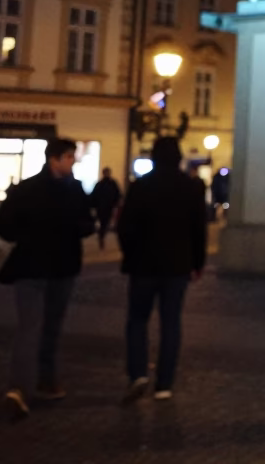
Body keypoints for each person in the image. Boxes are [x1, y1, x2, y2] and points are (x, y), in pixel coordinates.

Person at [0, 138, 93, 420]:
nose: (73, 162)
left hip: (34, 266)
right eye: (69, 157)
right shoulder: (73, 191)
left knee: (33, 327)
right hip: (57, 267)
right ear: (55, 159)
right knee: (45, 327)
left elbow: (5, 226)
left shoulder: (25, 190)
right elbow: (86, 224)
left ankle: (26, 385)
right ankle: (34, 383)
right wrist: (74, 228)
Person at [117, 136, 207, 403]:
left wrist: (130, 254)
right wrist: (197, 263)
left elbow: (126, 227)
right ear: (178, 157)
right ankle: (164, 383)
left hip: (143, 265)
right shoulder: (191, 188)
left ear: (154, 158)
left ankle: (138, 374)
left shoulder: (140, 187)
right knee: (171, 323)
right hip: (177, 266)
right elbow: (197, 229)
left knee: (137, 320)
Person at [89, 167, 122, 250]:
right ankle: (101, 235)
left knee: (104, 222)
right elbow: (117, 194)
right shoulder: (111, 184)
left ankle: (101, 235)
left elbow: (94, 196)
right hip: (107, 207)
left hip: (102, 207)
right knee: (105, 222)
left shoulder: (100, 184)